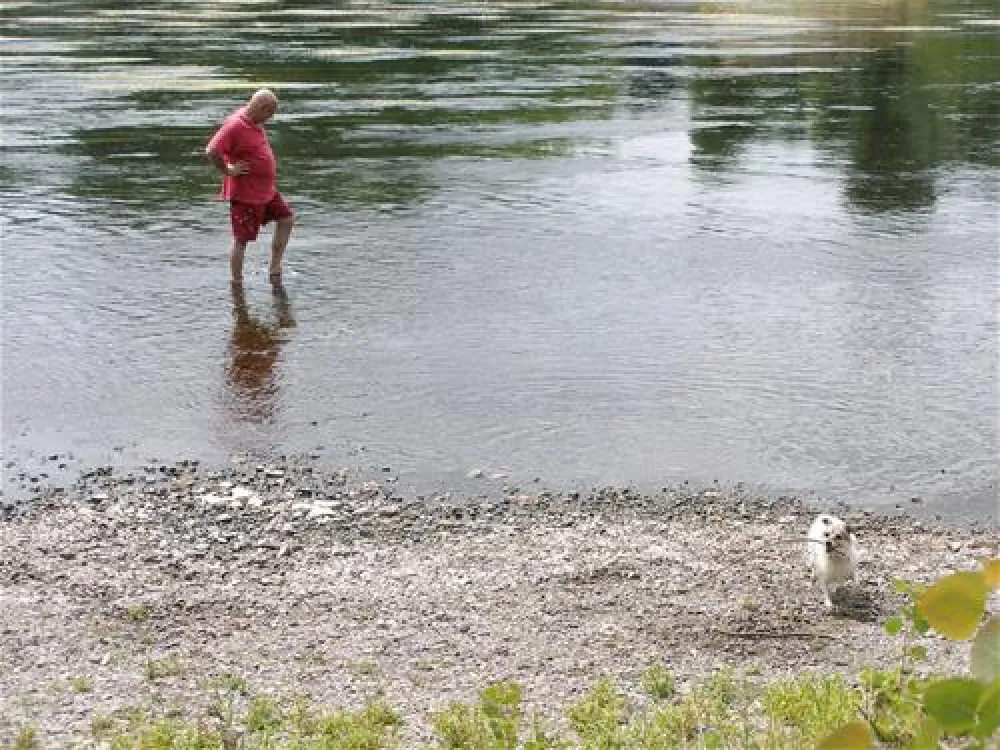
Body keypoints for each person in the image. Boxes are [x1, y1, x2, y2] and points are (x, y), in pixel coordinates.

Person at [206, 88, 295, 284]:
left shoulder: (253, 120)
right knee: (241, 240)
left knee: (286, 219)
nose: (269, 119)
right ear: (262, 108)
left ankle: (274, 267)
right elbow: (212, 150)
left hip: (266, 190)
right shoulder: (235, 125)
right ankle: (237, 282)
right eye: (269, 114)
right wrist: (228, 170)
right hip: (246, 194)